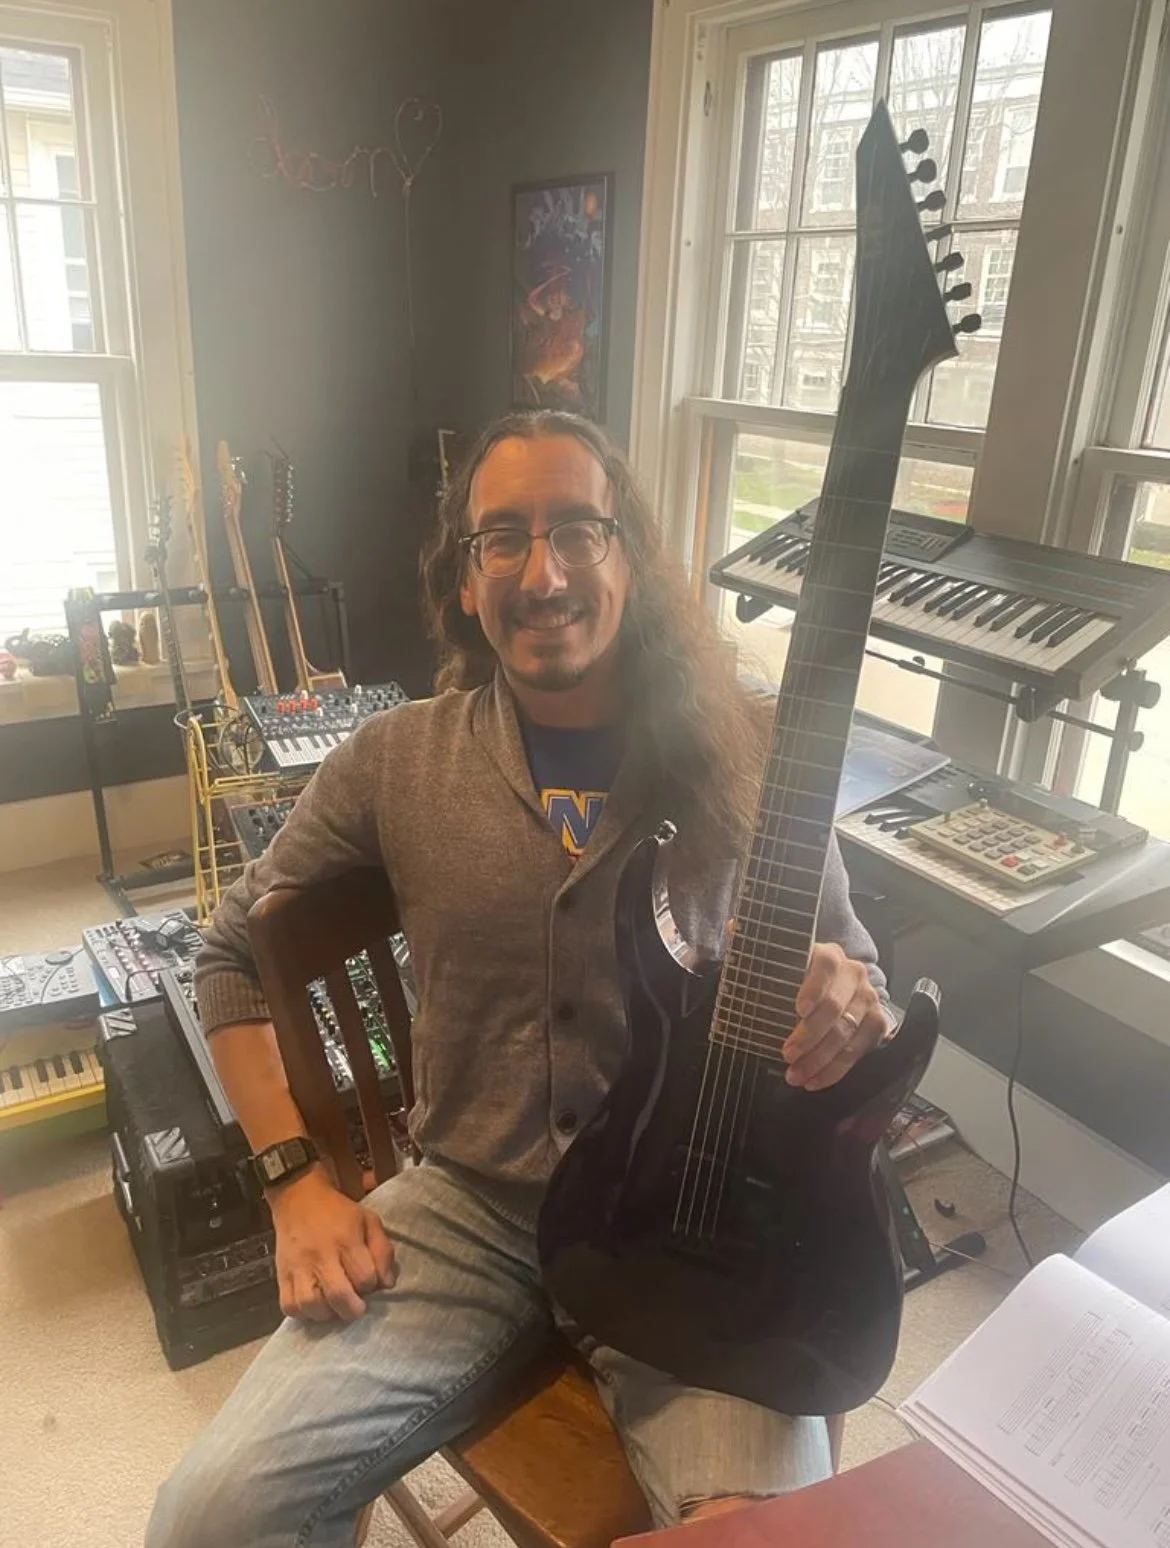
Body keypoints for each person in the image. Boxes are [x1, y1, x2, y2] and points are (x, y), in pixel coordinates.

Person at [147, 411, 894, 1548]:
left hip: (697, 1229)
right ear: (464, 580)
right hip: (464, 1211)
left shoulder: (750, 753)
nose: (544, 573)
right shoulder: (396, 761)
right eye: (503, 539)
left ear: (628, 559)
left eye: (578, 532)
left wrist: (849, 1002)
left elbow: (861, 970)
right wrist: (294, 1179)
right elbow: (229, 950)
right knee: (210, 1515)